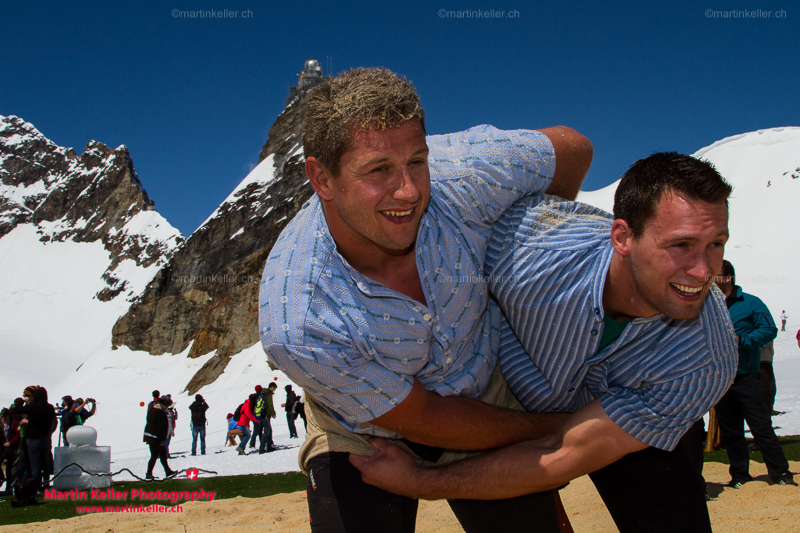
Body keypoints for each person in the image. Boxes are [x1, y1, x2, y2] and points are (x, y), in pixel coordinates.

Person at [259, 67, 592, 532]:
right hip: (357, 425)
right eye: (378, 170)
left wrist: (528, 254)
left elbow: (573, 149)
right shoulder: (299, 319)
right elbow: (427, 418)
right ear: (322, 178)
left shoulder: (470, 171)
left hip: (481, 380)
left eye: (417, 160)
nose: (410, 191)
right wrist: (559, 426)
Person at [351, 152, 741, 532]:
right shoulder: (526, 253)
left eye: (715, 244)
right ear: (622, 236)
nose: (704, 271)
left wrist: (419, 482)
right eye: (681, 245)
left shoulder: (707, 355)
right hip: (505, 401)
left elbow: (564, 450)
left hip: (629, 423)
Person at [713, 260, 794, 487]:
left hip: (748, 375)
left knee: (761, 427)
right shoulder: (708, 305)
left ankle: (780, 473)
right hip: (720, 379)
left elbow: (769, 330)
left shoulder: (751, 303)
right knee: (731, 432)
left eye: (715, 275)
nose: (710, 279)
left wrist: (743, 340)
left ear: (728, 278)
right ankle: (740, 475)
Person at [9, 386, 56, 492]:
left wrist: (21, 401)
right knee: (45, 464)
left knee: (35, 465)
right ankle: (46, 485)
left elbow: (14, 410)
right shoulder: (50, 408)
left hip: (34, 439)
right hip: (45, 438)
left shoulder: (33, 407)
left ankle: (35, 487)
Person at [143, 396, 176, 480]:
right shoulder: (160, 413)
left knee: (162, 454)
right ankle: (149, 473)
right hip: (155, 437)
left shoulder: (154, 410)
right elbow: (161, 427)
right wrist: (162, 440)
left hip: (152, 436)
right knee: (154, 456)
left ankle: (167, 471)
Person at [0, 408, 21, 492]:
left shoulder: (14, 423)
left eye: (4, 417)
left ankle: (8, 487)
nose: (3, 419)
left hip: (11, 448)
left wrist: (10, 443)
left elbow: (17, 436)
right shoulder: (2, 424)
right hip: (4, 448)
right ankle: (2, 479)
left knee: (10, 469)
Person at [255, 383, 278, 453]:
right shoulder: (268, 394)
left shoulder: (262, 393)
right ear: (271, 387)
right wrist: (273, 413)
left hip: (261, 414)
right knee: (267, 431)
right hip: (266, 414)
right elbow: (270, 404)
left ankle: (269, 446)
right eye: (274, 388)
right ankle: (262, 448)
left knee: (269, 430)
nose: (274, 390)